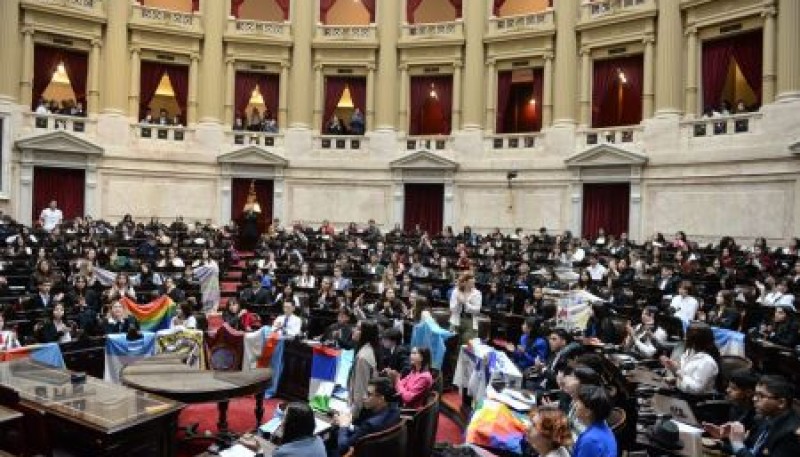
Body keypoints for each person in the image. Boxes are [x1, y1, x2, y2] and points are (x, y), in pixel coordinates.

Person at [708, 375, 800, 457]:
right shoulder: (764, 419)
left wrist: (737, 444)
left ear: (781, 403)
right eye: (755, 394)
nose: (754, 399)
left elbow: (743, 450)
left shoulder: (791, 435)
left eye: (761, 396)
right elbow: (752, 450)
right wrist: (724, 443)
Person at [336, 377, 401, 457]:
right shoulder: (396, 410)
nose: (364, 397)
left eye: (369, 394)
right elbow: (362, 432)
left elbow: (343, 448)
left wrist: (343, 426)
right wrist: (349, 425)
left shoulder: (370, 424)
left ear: (381, 398)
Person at [660, 321, 720, 394]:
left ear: (696, 340)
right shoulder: (689, 352)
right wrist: (674, 377)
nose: (685, 338)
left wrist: (677, 371)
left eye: (687, 336)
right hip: (679, 391)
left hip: (691, 401)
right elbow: (687, 376)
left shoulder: (708, 362)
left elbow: (695, 389)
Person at [572, 385, 617, 457]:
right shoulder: (603, 427)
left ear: (588, 412)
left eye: (578, 402)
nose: (575, 405)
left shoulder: (590, 440)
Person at [348, 319, 379, 418]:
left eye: (358, 329)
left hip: (361, 411)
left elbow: (360, 390)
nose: (353, 330)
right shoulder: (368, 349)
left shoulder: (363, 357)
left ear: (365, 334)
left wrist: (351, 416)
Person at [449, 272, 482, 342]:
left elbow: (477, 310)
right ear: (465, 282)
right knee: (453, 345)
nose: (474, 281)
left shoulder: (477, 293)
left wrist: (465, 303)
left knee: (466, 346)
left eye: (474, 279)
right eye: (471, 279)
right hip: (456, 320)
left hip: (470, 322)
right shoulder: (456, 291)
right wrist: (458, 302)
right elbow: (452, 308)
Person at [240, 181, 262, 251]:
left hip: (253, 227)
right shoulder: (247, 207)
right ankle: (246, 249)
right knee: (245, 237)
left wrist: (252, 214)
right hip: (247, 227)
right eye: (250, 197)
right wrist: (248, 214)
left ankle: (253, 249)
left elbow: (256, 218)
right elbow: (244, 217)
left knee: (254, 237)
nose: (251, 198)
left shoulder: (256, 207)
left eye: (252, 197)